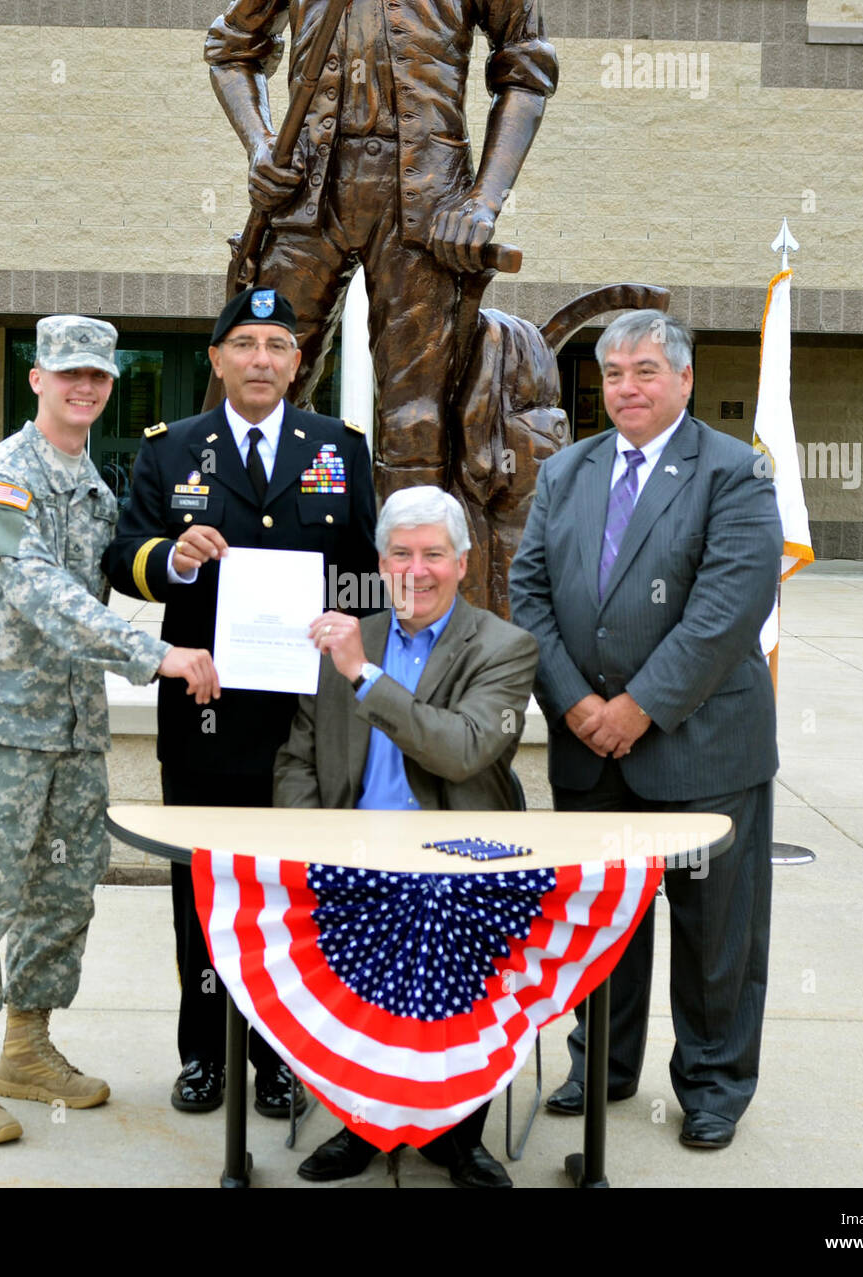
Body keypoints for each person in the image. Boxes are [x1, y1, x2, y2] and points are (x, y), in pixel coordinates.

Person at [0, 315, 218, 1146]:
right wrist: (154, 654)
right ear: (38, 378)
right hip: (0, 734)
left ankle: (28, 1047)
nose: (85, 387)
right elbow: (38, 592)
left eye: (99, 376)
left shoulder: (94, 488)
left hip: (74, 730)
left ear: (111, 385)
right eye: (67, 372)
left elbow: (105, 583)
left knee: (62, 893)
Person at [508, 310, 781, 1151]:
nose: (626, 387)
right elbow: (530, 592)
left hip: (703, 749)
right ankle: (602, 1064)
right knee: (601, 924)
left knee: (715, 934)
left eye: (646, 371)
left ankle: (711, 1086)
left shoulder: (735, 474)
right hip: (589, 751)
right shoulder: (567, 470)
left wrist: (637, 708)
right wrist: (577, 705)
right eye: (614, 373)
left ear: (686, 379)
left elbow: (727, 612)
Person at [102, 286, 378, 1118]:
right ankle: (205, 1054)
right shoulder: (170, 448)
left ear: (299, 363)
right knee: (206, 890)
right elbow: (123, 557)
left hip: (304, 721)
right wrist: (175, 558)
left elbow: (364, 569)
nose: (262, 359)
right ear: (217, 359)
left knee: (295, 891)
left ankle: (282, 1057)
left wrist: (347, 618)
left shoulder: (339, 446)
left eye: (278, 346)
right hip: (206, 708)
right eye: (245, 344)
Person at [275, 485, 538, 1187]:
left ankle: (457, 1135)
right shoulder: (345, 632)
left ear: (462, 560)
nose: (415, 570)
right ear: (380, 559)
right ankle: (364, 1125)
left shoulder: (504, 647)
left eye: (432, 554)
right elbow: (298, 755)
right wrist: (314, 846)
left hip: (459, 856)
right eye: (400, 554)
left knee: (453, 956)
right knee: (325, 954)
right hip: (353, 853)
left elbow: (460, 749)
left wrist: (364, 673)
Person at [205, 0, 558, 496]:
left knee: (416, 416)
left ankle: (410, 567)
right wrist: (260, 142)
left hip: (427, 204)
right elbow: (231, 47)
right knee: (261, 387)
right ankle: (270, 546)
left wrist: (483, 199)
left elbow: (526, 66)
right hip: (305, 193)